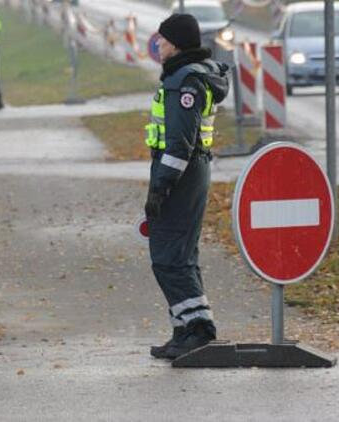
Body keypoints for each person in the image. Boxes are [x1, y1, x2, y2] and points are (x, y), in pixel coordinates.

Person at [144, 14, 229, 359]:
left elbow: (180, 144)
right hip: (189, 172)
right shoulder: (188, 75)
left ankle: (199, 329)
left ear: (176, 43)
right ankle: (184, 329)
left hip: (180, 174)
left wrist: (160, 188)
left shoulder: (183, 81)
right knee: (179, 255)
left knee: (169, 257)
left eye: (162, 39)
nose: (158, 44)